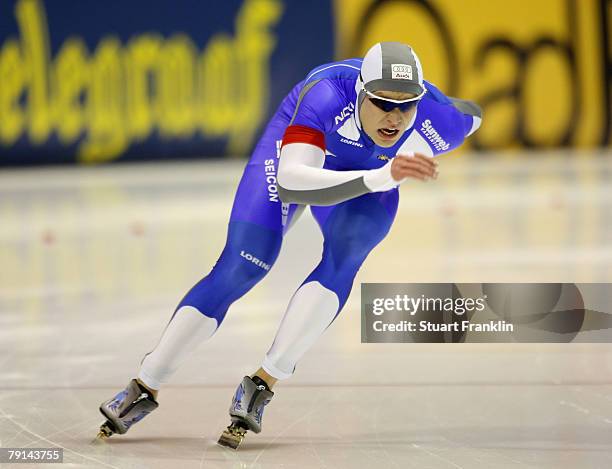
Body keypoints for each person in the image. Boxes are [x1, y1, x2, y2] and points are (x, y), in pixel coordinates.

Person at [96, 41, 482, 448]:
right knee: (246, 262)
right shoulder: (326, 95)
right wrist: (378, 178)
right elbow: (292, 181)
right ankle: (146, 383)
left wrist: (391, 163)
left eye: (407, 105)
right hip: (295, 154)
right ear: (361, 92)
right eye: (383, 103)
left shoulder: (439, 123)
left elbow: (472, 114)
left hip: (369, 178)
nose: (395, 116)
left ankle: (263, 382)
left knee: (351, 248)